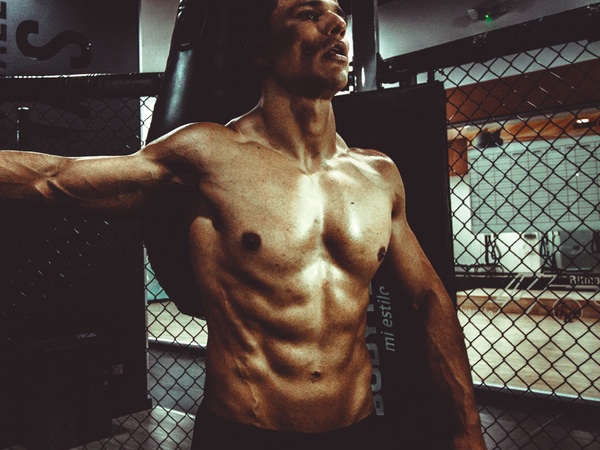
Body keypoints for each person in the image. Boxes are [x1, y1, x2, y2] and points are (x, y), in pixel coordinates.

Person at [0, 0, 486, 448]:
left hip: (357, 430)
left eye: (338, 13)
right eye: (308, 13)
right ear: (260, 52)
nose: (336, 23)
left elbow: (428, 299)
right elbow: (54, 179)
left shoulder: (379, 175)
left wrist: (466, 425)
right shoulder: (209, 155)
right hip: (245, 432)